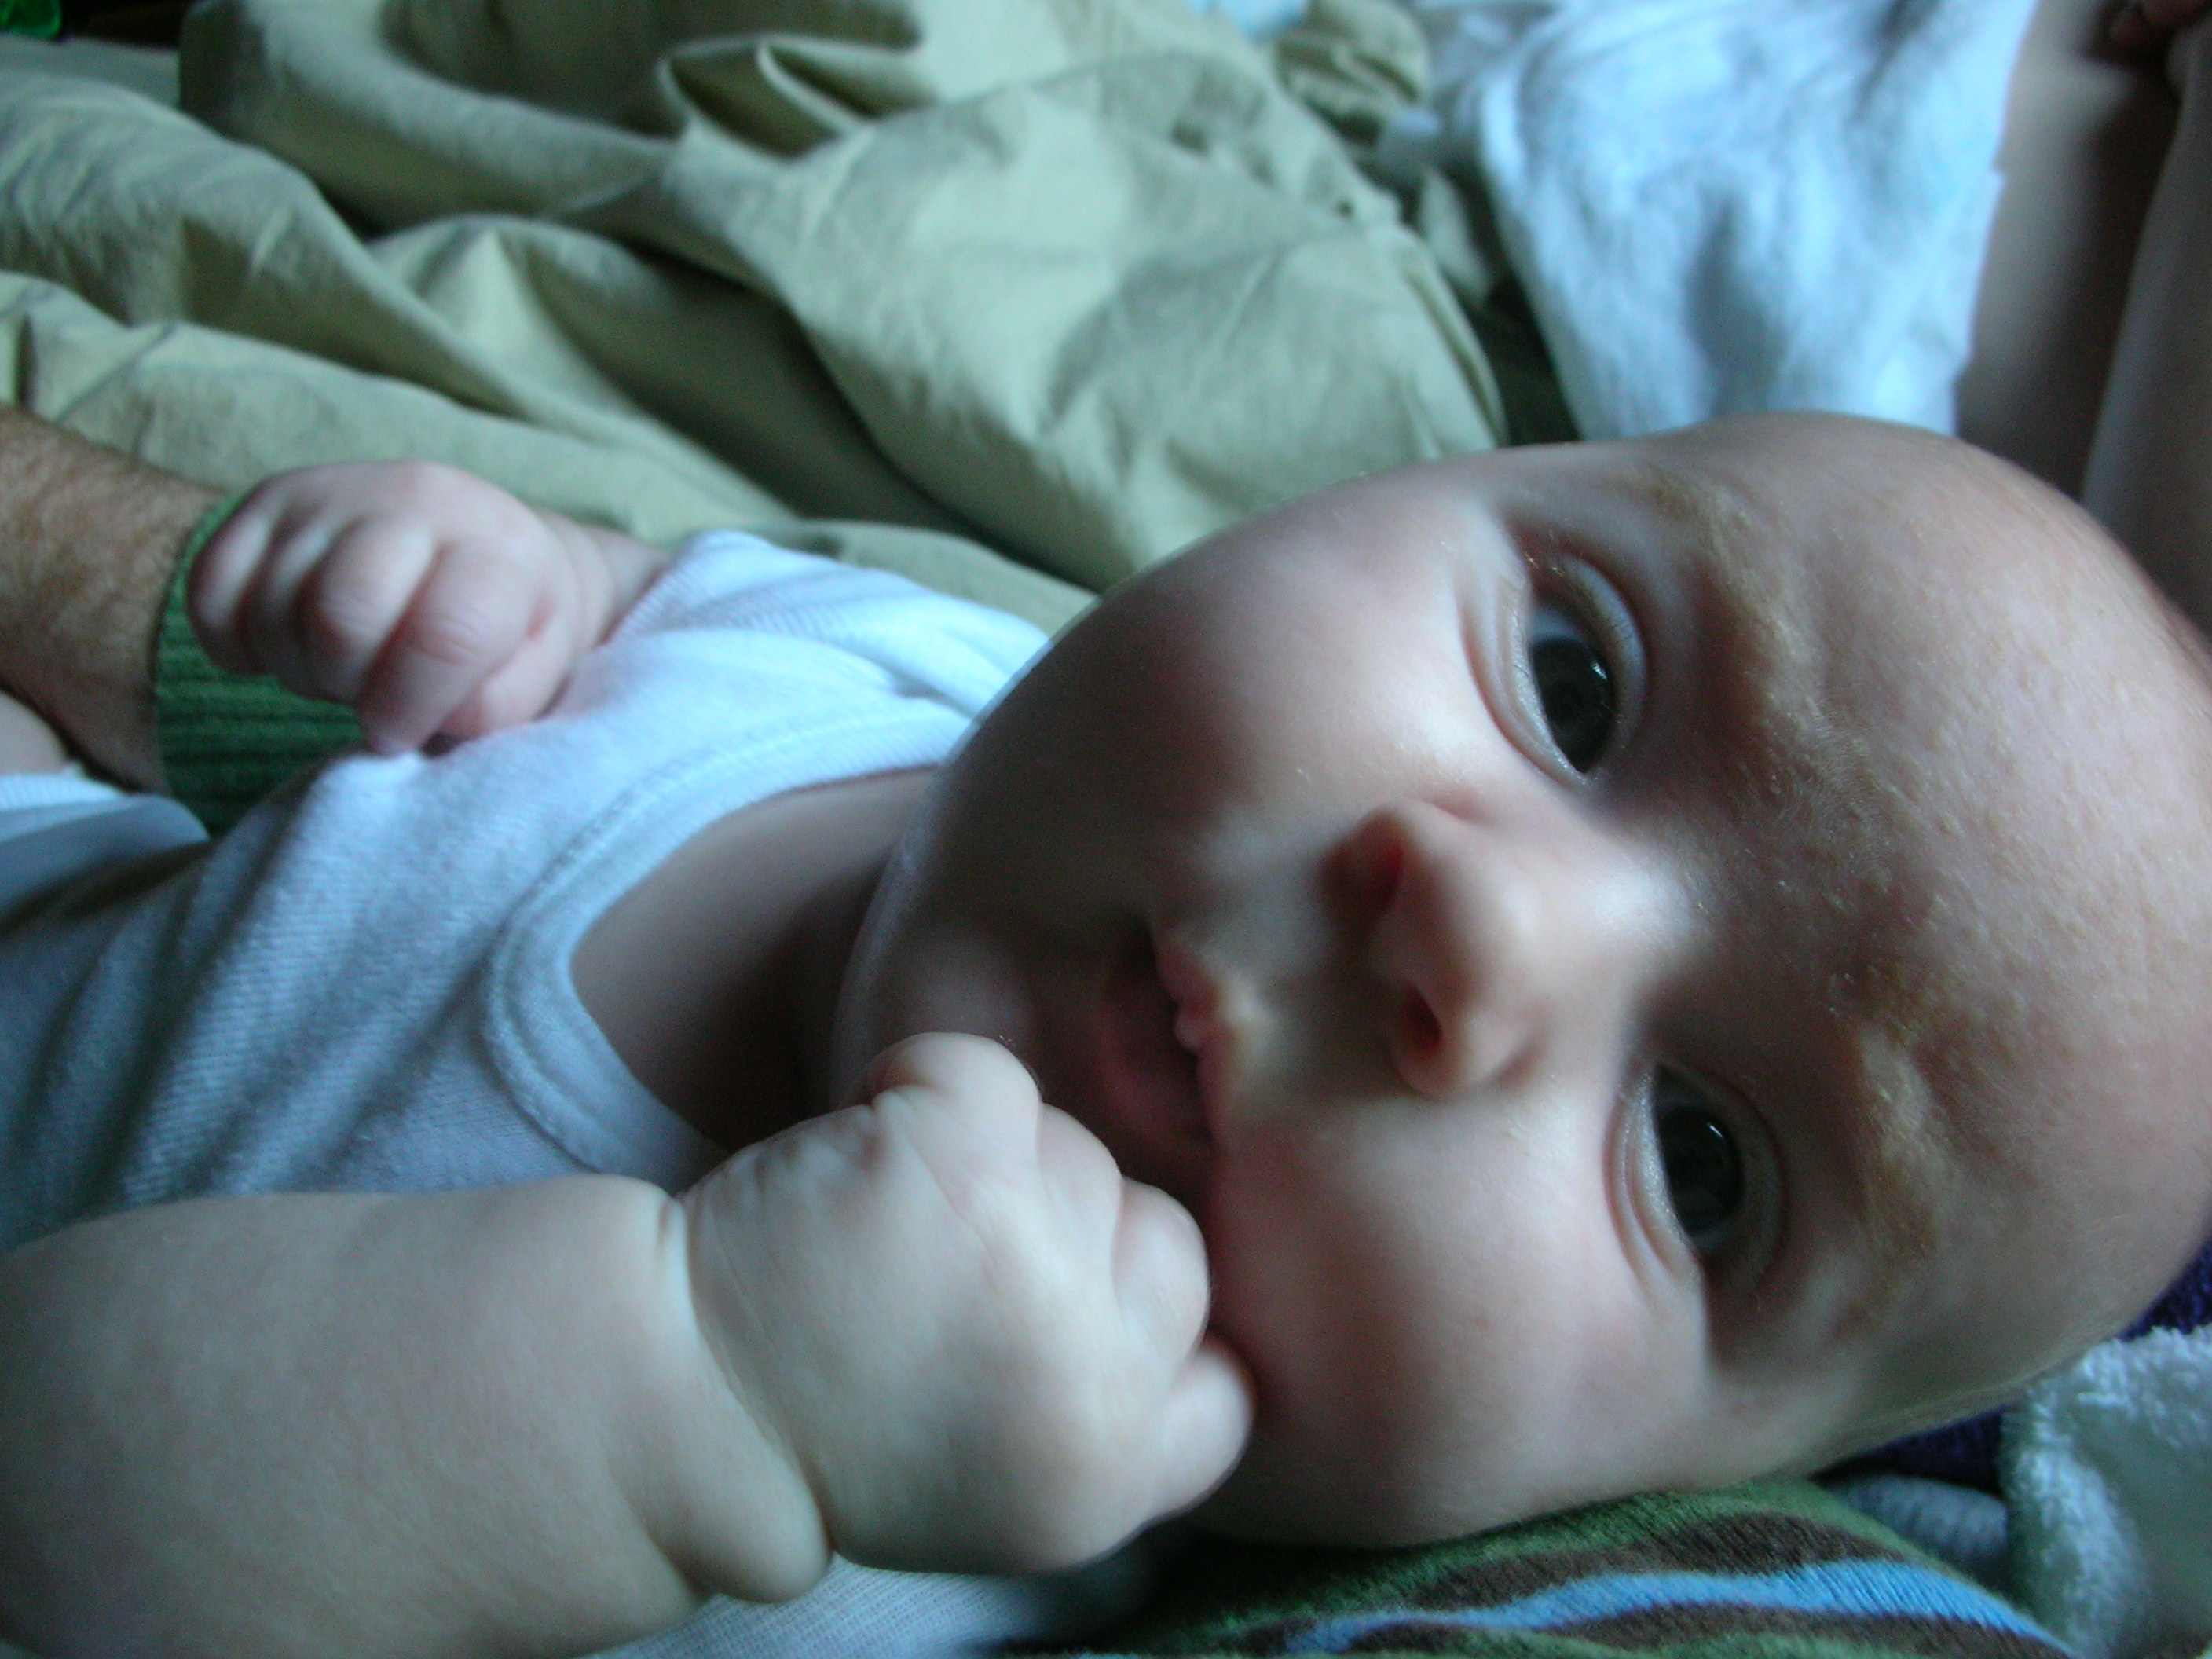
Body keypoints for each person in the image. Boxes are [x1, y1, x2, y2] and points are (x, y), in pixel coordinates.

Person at [3, 5, 2210, 1658]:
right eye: (1574, 682)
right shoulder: (942, 681)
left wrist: (717, 1403)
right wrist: (508, 591)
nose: (1484, 929)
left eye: (1705, 1165)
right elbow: (664, 625)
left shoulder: (886, 1563)